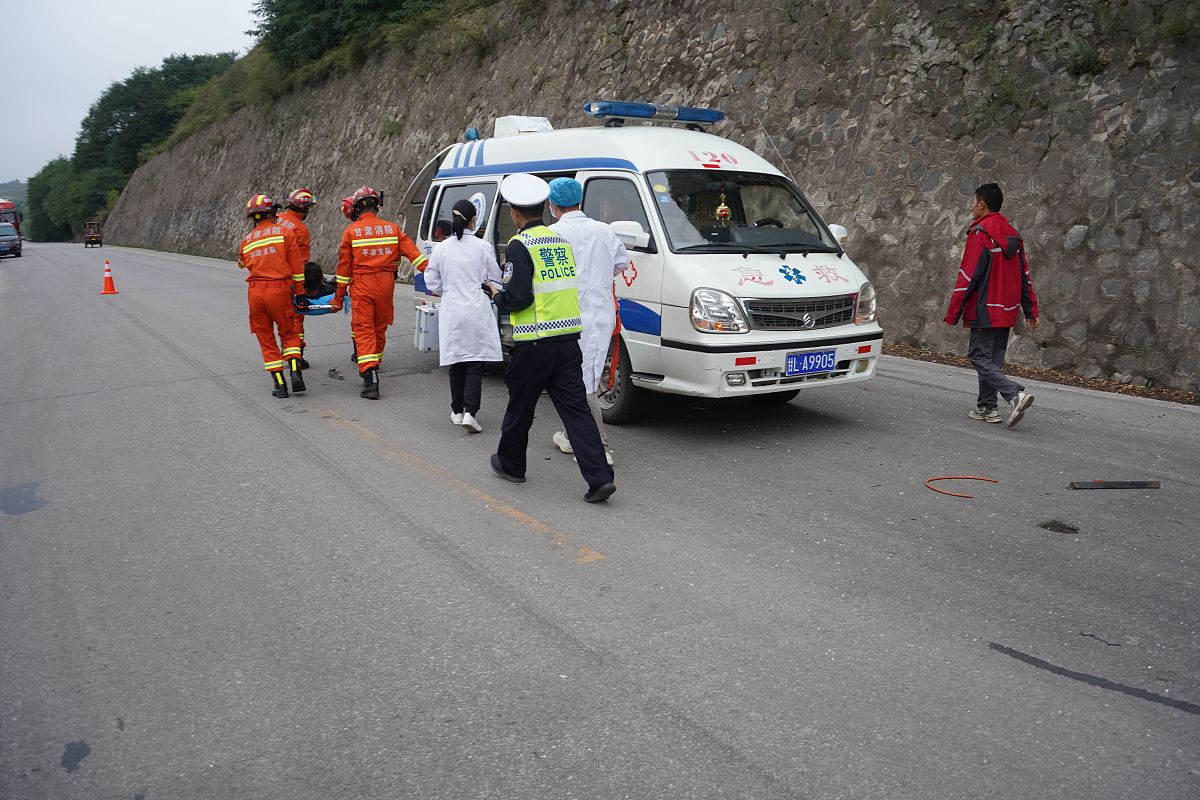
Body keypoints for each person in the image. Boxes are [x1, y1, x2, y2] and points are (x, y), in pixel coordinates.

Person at [485, 173, 616, 503]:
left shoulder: (520, 244)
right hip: (568, 341)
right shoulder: (559, 242)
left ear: (515, 212)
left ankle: (511, 465)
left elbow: (519, 297)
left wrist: (497, 295)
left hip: (535, 342)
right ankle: (600, 478)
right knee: (577, 412)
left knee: (520, 408)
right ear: (545, 207)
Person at [546, 177, 629, 465]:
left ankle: (598, 448)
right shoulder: (604, 231)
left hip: (564, 315)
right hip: (599, 314)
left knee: (581, 381)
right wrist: (599, 276)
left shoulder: (551, 234)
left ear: (552, 205)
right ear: (580, 201)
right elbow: (622, 262)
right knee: (579, 377)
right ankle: (572, 436)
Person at [944, 182, 1039, 427]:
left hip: (984, 308)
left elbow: (968, 276)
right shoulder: (1012, 235)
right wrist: (1030, 310)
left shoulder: (981, 233)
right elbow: (1024, 276)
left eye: (973, 202)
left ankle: (1014, 395)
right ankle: (987, 407)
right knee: (992, 360)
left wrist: (954, 312)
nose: (971, 206)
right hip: (1007, 309)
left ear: (982, 204)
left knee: (977, 355)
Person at [329, 185, 428, 399]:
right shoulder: (393, 229)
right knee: (379, 326)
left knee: (363, 328)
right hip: (385, 284)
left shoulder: (351, 232)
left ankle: (370, 378)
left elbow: (344, 271)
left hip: (362, 284)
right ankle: (375, 360)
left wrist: (338, 298)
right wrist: (439, 277)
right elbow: (418, 258)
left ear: (357, 209)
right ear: (377, 207)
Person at [423, 199, 503, 433]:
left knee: (456, 360)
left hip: (452, 309)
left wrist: (447, 290)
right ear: (473, 220)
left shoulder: (441, 248)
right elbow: (495, 275)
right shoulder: (482, 246)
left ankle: (457, 411)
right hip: (476, 308)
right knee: (475, 362)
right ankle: (471, 412)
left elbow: (432, 281)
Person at [236, 193, 306, 398]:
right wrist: (300, 293)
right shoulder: (285, 233)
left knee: (266, 338)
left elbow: (242, 262)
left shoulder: (246, 241)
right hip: (279, 290)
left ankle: (280, 385)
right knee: (289, 333)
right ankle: (295, 371)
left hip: (255, 294)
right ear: (272, 212)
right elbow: (297, 268)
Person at [277, 188, 317, 367]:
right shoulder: (299, 229)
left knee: (282, 318)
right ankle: (296, 355)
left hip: (271, 277)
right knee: (296, 317)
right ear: (304, 208)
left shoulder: (277, 219)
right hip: (290, 279)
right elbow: (301, 262)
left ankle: (286, 349)